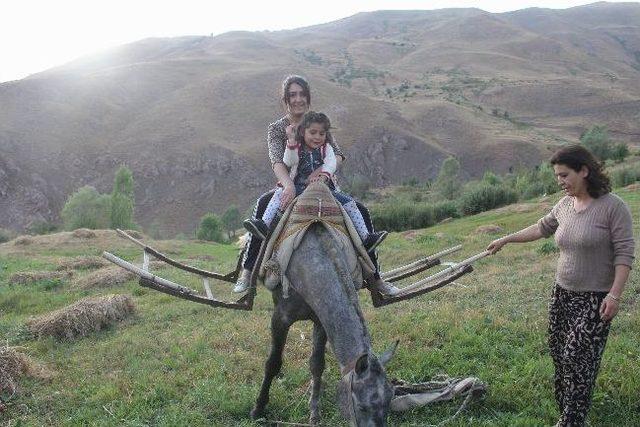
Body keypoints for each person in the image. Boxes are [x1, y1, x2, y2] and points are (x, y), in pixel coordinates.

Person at [486, 144, 635, 427]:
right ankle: (567, 412)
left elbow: (625, 255)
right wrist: (506, 239)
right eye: (557, 176)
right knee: (559, 355)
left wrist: (615, 295)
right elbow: (541, 228)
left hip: (596, 298)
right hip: (562, 294)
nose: (560, 182)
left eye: (565, 175)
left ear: (584, 171)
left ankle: (573, 420)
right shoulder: (565, 205)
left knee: (578, 357)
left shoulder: (613, 208)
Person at [234, 75, 399, 296]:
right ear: (285, 99)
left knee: (361, 210)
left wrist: (322, 172)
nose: (298, 99)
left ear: (308, 97)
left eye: (302, 94)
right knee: (264, 204)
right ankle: (248, 273)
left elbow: (337, 155)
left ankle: (376, 278)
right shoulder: (277, 128)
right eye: (292, 94)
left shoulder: (318, 123)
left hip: (323, 186)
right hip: (292, 183)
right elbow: (277, 161)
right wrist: (288, 185)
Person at [245, 111, 387, 251]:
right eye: (313, 133)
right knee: (278, 195)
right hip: (299, 188)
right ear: (303, 132)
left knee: (350, 204)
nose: (317, 137)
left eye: (321, 133)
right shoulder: (297, 147)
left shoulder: (327, 149)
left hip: (325, 190)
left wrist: (324, 176)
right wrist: (292, 141)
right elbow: (289, 161)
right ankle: (264, 225)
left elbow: (331, 163)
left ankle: (366, 237)